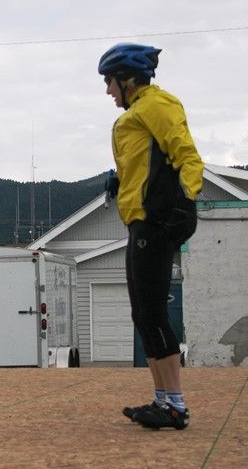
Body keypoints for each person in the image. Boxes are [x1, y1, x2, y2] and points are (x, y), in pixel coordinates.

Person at [98, 43, 204, 429]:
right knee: (142, 313)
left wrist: (184, 202)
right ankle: (163, 401)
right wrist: (120, 180)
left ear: (127, 80)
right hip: (138, 221)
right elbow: (146, 164)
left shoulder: (157, 105)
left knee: (154, 311)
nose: (107, 90)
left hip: (156, 221)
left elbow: (188, 157)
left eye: (109, 82)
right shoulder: (138, 112)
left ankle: (176, 405)